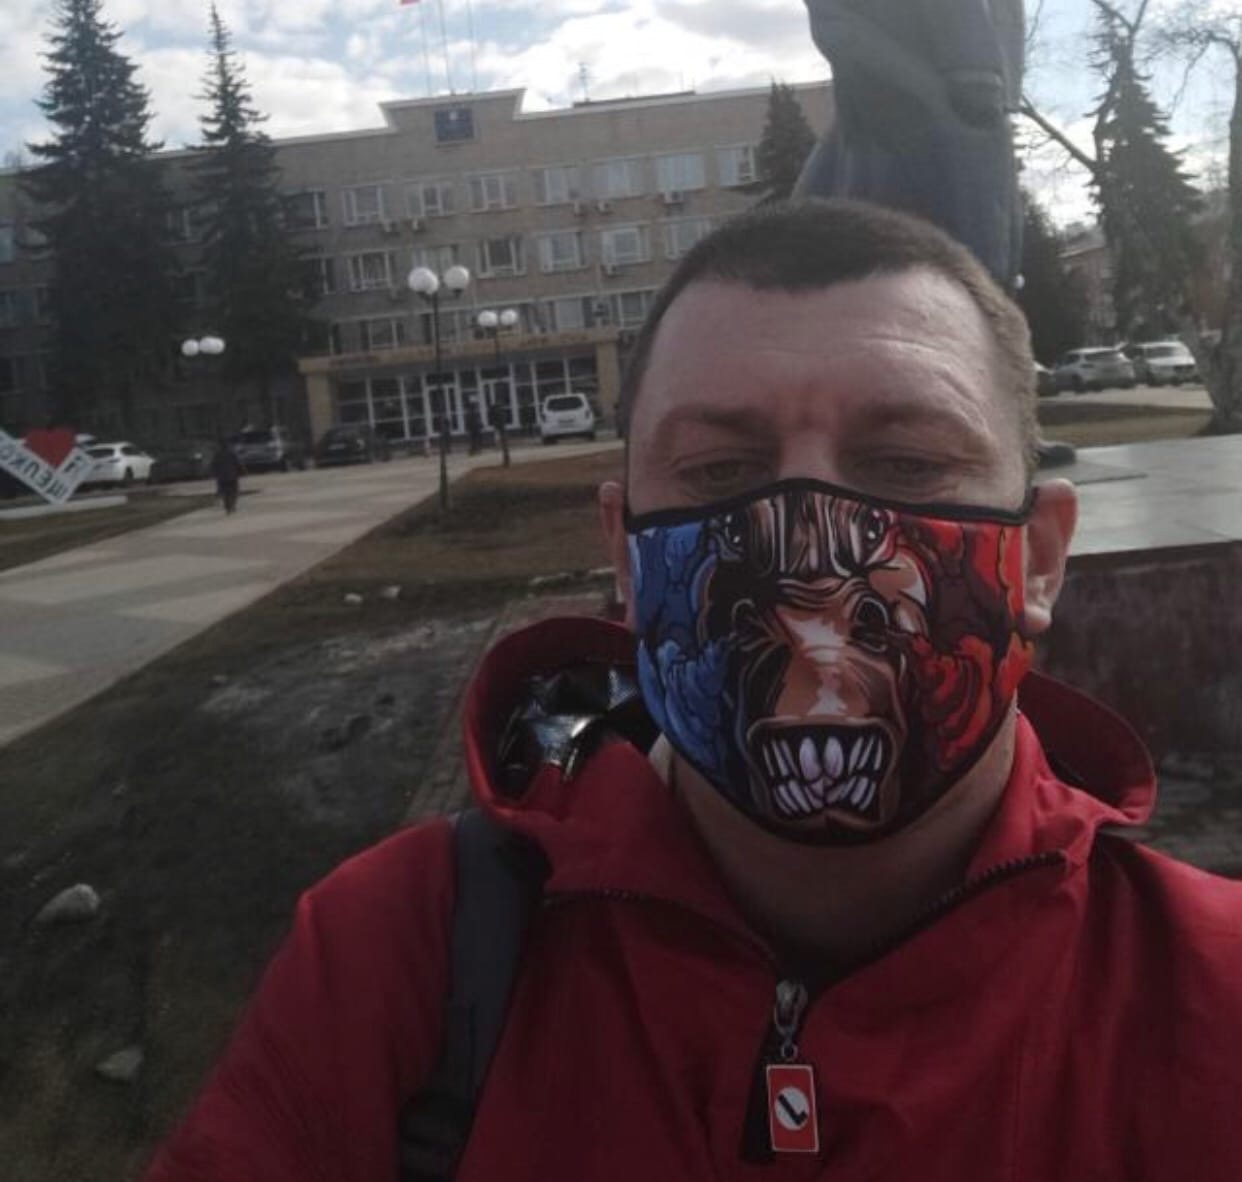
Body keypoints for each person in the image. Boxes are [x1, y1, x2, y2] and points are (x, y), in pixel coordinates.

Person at [143, 202, 1242, 1182]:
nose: (802, 527)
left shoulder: (1215, 993)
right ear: (626, 557)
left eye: (907, 462)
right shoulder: (399, 955)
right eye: (720, 471)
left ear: (1039, 559)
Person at [209, 437, 243, 515]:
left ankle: (228, 506)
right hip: (232, 475)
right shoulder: (231, 454)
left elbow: (213, 465)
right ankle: (232, 505)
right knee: (234, 491)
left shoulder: (217, 455)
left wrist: (214, 473)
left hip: (222, 477)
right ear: (227, 446)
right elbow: (238, 463)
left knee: (224, 492)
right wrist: (241, 471)